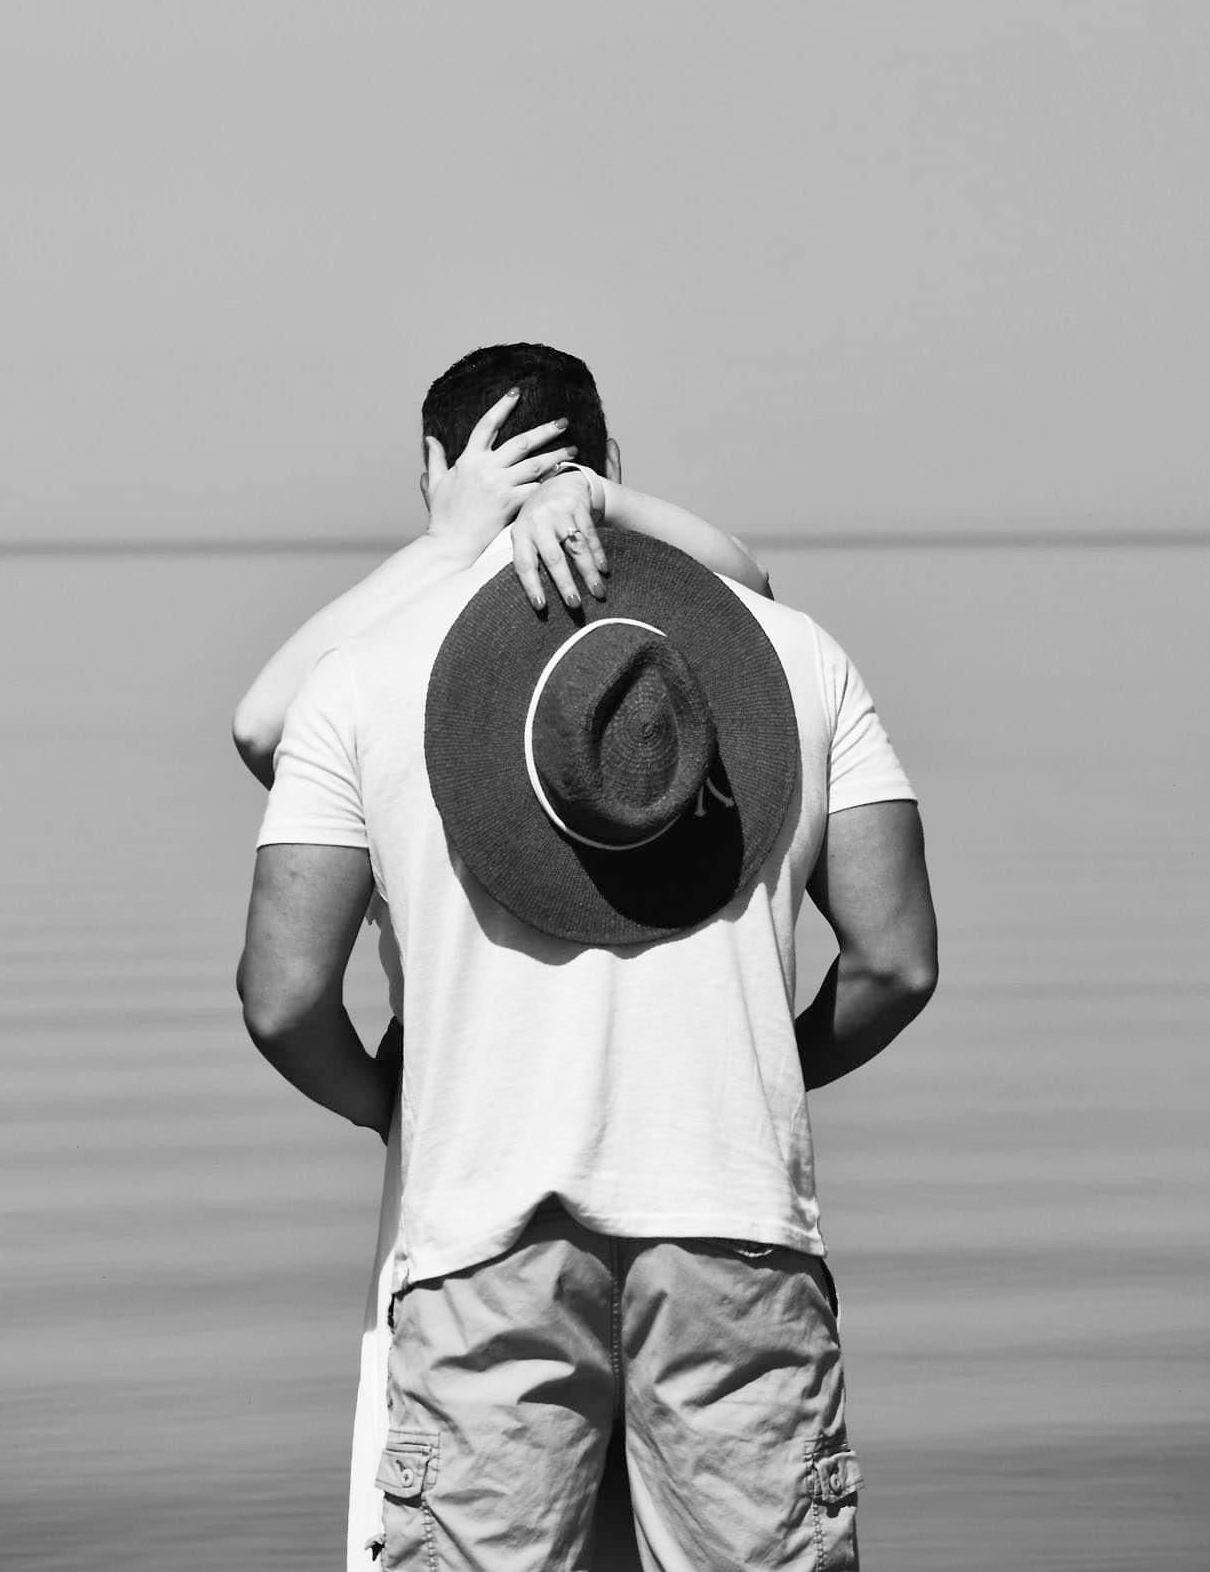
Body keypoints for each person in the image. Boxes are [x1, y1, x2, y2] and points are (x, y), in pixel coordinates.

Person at [237, 342, 937, 1570]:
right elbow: (896, 962)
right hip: (737, 1225)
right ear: (611, 461)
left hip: (482, 1236)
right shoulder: (797, 653)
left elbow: (284, 989)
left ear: (431, 471)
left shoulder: (362, 679)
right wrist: (768, 1060)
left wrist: (388, 1102)